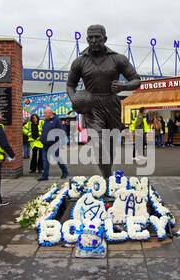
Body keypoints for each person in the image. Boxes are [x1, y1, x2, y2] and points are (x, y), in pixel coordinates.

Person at [66, 24, 141, 179]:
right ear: (86, 39)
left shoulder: (118, 59)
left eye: (97, 37)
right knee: (99, 144)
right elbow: (70, 85)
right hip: (91, 105)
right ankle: (107, 179)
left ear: (104, 38)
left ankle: (108, 175)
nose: (93, 40)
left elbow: (136, 80)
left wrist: (124, 86)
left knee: (111, 144)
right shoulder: (79, 62)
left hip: (112, 104)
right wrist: (75, 100)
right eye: (90, 37)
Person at [37, 108, 68, 181]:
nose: (44, 115)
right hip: (45, 144)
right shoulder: (46, 120)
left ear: (50, 113)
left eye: (45, 113)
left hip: (54, 144)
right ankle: (45, 175)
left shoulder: (56, 120)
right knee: (45, 160)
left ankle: (65, 172)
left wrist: (54, 139)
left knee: (57, 158)